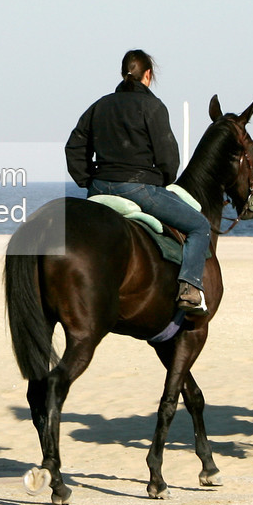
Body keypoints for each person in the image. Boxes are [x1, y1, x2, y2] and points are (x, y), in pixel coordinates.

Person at [65, 49, 212, 316]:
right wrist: (162, 182)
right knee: (200, 226)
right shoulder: (153, 106)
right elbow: (168, 158)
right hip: (138, 188)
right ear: (148, 75)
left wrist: (87, 180)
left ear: (123, 74)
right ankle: (190, 289)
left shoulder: (99, 105)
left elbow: (74, 146)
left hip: (98, 187)